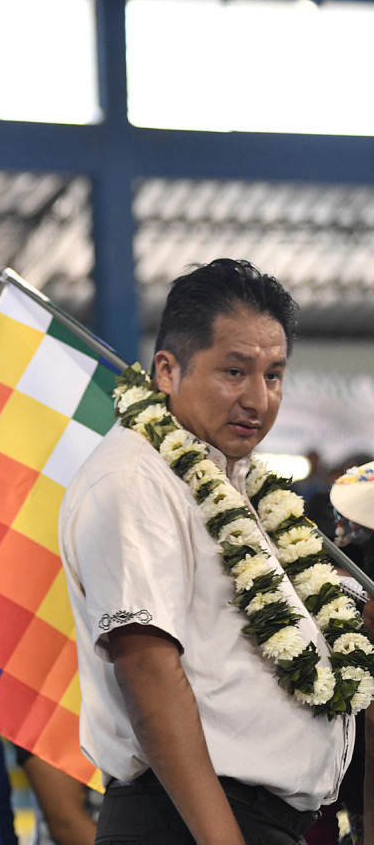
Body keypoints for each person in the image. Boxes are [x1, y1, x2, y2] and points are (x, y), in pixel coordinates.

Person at [59, 259, 371, 844]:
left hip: (265, 823)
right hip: (188, 823)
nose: (258, 398)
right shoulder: (135, 477)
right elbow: (147, 667)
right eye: (235, 371)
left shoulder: (249, 492)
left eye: (274, 375)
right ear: (167, 371)